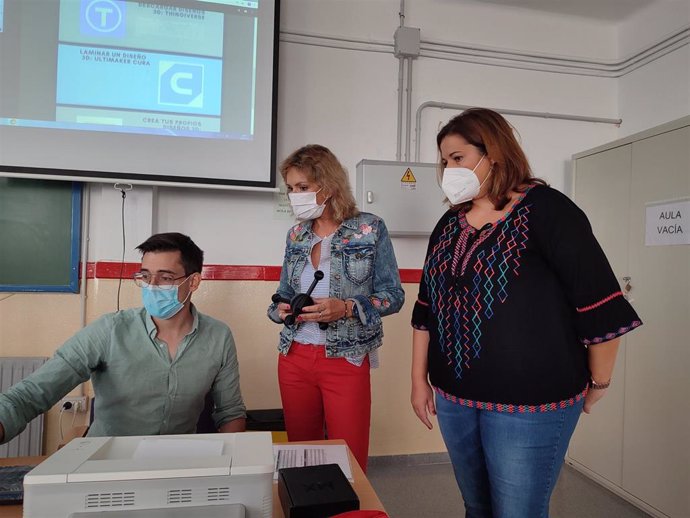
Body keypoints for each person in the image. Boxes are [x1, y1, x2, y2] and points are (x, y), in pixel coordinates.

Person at [410, 108, 642, 518]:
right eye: (444, 161)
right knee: (476, 506)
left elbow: (599, 303)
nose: (449, 169)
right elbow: (426, 309)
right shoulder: (449, 224)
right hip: (454, 399)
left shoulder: (549, 211)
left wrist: (599, 382)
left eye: (458, 158)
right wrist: (418, 381)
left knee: (518, 511)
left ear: (493, 154)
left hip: (530, 406)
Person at [0, 232, 246, 444]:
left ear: (193, 282)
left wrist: (228, 467)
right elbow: (34, 392)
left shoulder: (218, 337)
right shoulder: (109, 330)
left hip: (176, 464)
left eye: (165, 277)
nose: (152, 285)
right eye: (145, 276)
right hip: (107, 463)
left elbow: (230, 413)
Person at [267, 144, 404, 472]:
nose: (294, 196)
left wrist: (346, 307)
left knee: (349, 457)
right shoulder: (296, 235)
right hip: (294, 356)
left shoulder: (369, 229)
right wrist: (281, 311)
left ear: (327, 186)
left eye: (302, 187)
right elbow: (282, 295)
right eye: (290, 189)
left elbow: (393, 295)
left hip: (347, 357)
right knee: (301, 455)